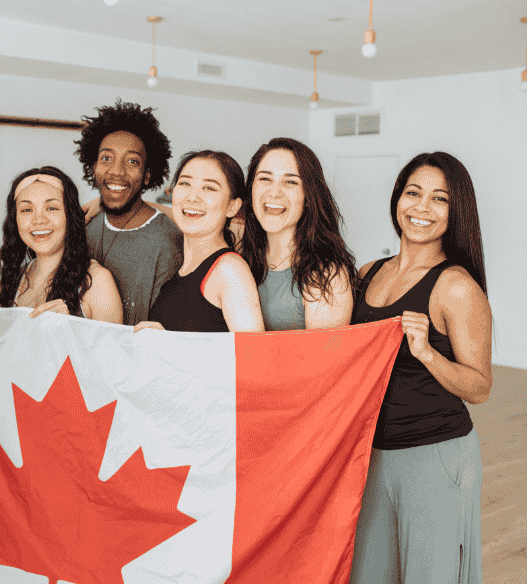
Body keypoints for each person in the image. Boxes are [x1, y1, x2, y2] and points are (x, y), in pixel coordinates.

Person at [349, 152, 492, 584]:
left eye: (439, 199)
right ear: (397, 199)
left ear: (456, 211)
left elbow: (480, 386)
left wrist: (428, 352)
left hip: (434, 455)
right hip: (372, 455)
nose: (421, 207)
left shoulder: (456, 287)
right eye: (413, 193)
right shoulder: (366, 272)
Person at [75, 99, 182, 326]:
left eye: (132, 161)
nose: (116, 171)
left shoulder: (166, 240)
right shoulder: (83, 226)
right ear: (93, 167)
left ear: (147, 175)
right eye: (106, 158)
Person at [135, 151, 264, 333]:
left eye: (209, 188)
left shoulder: (229, 271)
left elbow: (252, 357)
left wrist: (170, 345)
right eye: (185, 183)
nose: (192, 197)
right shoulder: (178, 275)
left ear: (232, 206)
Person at [242, 138, 355, 330]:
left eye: (290, 182)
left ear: (308, 196)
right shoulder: (240, 253)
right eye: (265, 178)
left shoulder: (325, 274)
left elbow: (327, 358)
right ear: (251, 188)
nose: (274, 192)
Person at [0, 167, 122, 323]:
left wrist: (71, 328)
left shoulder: (97, 281)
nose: (39, 220)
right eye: (27, 209)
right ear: (15, 220)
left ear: (70, 216)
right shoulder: (12, 280)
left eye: (51, 208)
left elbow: (114, 348)